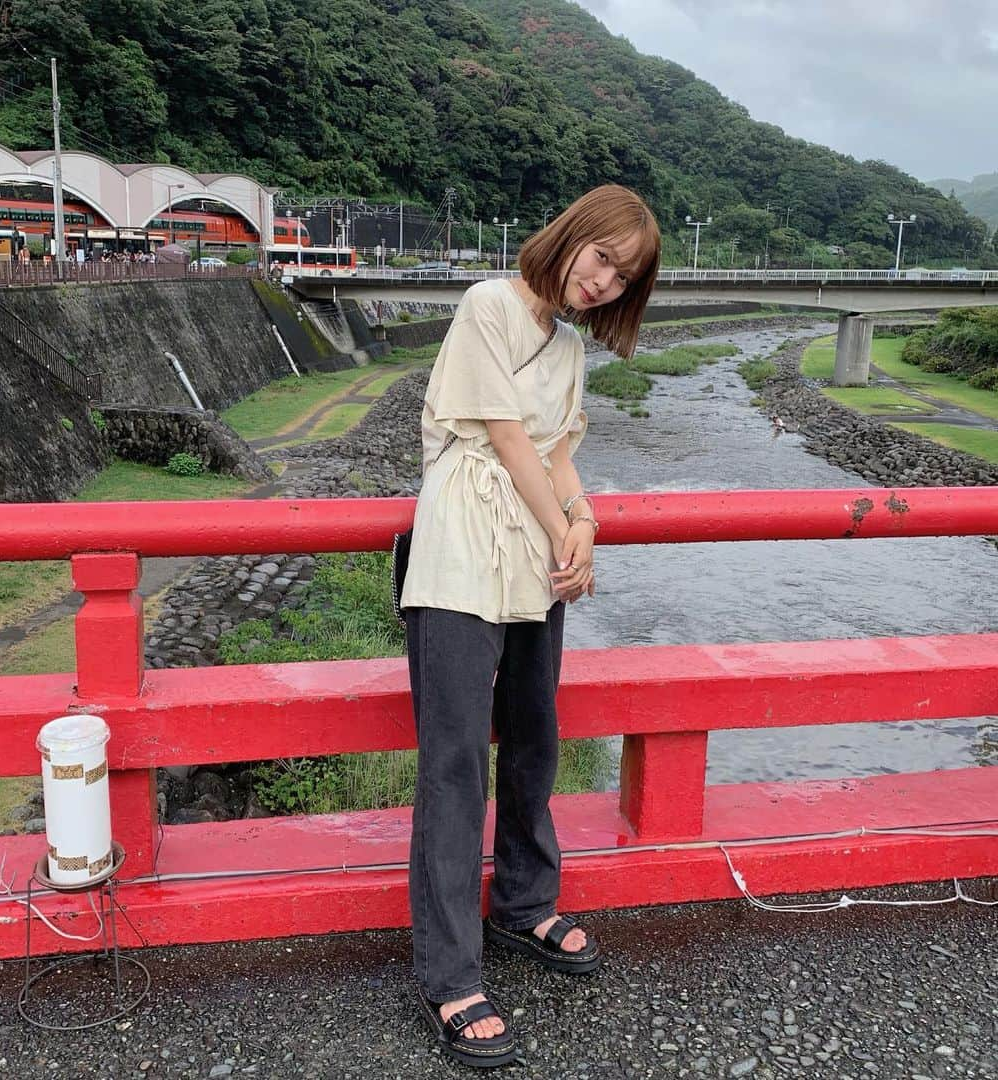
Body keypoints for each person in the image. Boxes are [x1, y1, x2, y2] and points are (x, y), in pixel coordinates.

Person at [399, 184, 661, 1068]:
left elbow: (556, 454)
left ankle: (522, 904)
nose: (603, 281)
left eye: (622, 276)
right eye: (600, 257)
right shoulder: (489, 306)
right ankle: (448, 976)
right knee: (456, 759)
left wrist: (582, 522)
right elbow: (506, 439)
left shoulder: (571, 345)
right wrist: (565, 529)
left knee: (537, 739)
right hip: (464, 547)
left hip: (533, 556)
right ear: (570, 237)